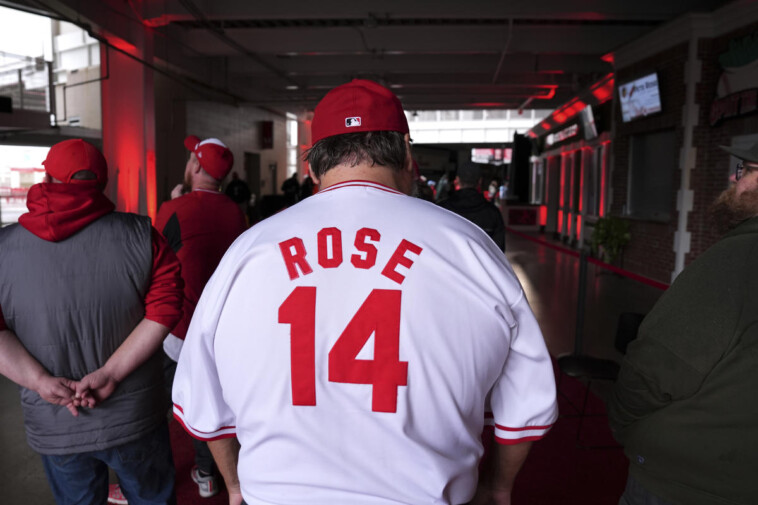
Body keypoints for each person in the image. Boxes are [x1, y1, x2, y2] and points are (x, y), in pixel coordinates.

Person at [172, 79, 557, 505]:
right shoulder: (470, 248)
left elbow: (204, 405)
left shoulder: (247, 253)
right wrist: (496, 487)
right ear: (408, 157)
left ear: (314, 169)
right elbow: (527, 407)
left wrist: (237, 486)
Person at [0, 139, 183, 505]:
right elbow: (164, 311)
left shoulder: (4, 247)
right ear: (101, 184)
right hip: (134, 416)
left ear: (47, 177)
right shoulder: (143, 237)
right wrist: (111, 374)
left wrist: (40, 382)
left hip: (56, 421)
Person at [608, 142, 758, 505]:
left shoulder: (734, 260)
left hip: (687, 482)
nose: (733, 179)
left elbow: (652, 370)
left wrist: (626, 427)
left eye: (746, 170)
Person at [154, 135, 247, 499]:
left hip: (179, 326)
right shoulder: (233, 211)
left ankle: (165, 478)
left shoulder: (173, 207)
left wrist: (173, 205)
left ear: (194, 165)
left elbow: (155, 255)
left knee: (163, 408)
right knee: (212, 401)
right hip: (222, 326)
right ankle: (208, 473)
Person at [438, 161, 506, 251]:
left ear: (457, 180)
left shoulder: (441, 209)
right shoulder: (493, 213)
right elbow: (499, 251)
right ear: (480, 181)